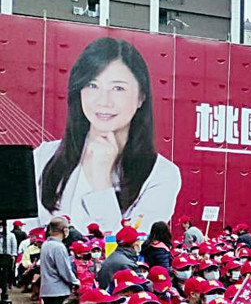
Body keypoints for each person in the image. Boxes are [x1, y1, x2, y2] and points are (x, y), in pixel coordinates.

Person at [33, 38, 181, 231]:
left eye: (118, 88)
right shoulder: (44, 155)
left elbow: (131, 247)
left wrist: (102, 182)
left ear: (141, 97)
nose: (104, 101)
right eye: (93, 86)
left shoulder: (161, 174)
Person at [96, 226, 142, 291]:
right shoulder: (127, 264)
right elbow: (141, 286)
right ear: (133, 244)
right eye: (137, 240)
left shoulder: (114, 256)